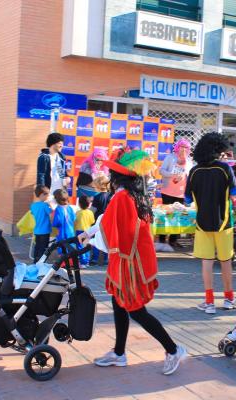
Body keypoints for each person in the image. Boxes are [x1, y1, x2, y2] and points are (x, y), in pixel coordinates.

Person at [79, 149, 187, 375]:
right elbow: (109, 221)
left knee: (135, 309)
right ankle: (119, 353)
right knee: (119, 303)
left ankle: (173, 349)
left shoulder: (121, 197)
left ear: (119, 176)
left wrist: (89, 235)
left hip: (130, 263)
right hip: (131, 259)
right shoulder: (133, 195)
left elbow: (110, 226)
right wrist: (89, 233)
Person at [185, 132, 236, 315]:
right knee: (225, 261)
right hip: (224, 222)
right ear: (218, 149)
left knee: (207, 263)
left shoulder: (194, 171)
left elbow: (187, 199)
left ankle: (209, 302)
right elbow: (235, 195)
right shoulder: (225, 169)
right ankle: (229, 298)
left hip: (202, 223)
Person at [158, 138, 193, 250]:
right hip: (167, 191)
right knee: (165, 215)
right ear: (177, 147)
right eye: (181, 147)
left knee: (177, 217)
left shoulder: (189, 161)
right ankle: (162, 240)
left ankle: (173, 240)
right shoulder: (170, 157)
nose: (183, 149)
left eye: (186, 147)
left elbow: (190, 175)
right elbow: (161, 171)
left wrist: (185, 176)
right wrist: (171, 174)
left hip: (180, 193)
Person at [90, 175, 112, 266]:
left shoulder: (97, 197)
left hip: (98, 221)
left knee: (96, 239)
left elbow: (93, 210)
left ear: (99, 186)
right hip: (108, 220)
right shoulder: (111, 196)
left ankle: (95, 259)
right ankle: (106, 259)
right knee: (107, 240)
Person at [30, 185, 53, 262]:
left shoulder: (33, 205)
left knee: (37, 246)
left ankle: (35, 261)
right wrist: (51, 206)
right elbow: (51, 215)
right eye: (47, 194)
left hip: (37, 230)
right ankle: (41, 263)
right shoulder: (45, 205)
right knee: (43, 248)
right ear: (42, 194)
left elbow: (33, 215)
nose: (48, 197)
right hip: (45, 230)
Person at [75, 195, 95, 268]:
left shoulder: (78, 212)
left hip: (79, 231)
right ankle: (87, 262)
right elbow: (92, 221)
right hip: (88, 231)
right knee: (87, 246)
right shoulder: (90, 212)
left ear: (79, 204)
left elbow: (75, 222)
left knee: (80, 247)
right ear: (89, 204)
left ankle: (82, 262)